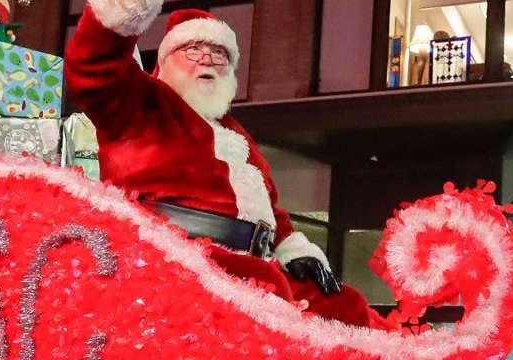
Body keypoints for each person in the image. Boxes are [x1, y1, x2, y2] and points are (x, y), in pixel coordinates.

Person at [65, 2, 387, 329]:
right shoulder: (141, 104)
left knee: (345, 307)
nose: (207, 58)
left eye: (219, 53)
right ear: (164, 63)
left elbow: (270, 210)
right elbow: (94, 67)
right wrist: (121, 11)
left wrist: (293, 248)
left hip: (254, 265)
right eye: (191, 50)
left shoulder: (236, 137)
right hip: (178, 263)